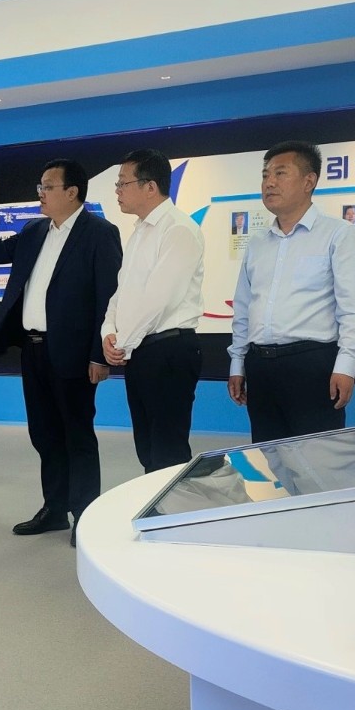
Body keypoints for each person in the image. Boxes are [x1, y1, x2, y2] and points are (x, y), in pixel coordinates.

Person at [0, 159, 123, 547]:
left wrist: (99, 355)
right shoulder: (35, 230)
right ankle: (54, 508)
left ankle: (85, 515)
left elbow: (108, 298)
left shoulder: (100, 233)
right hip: (33, 350)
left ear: (72, 192)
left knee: (77, 435)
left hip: (74, 353)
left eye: (47, 187)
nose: (41, 193)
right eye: (40, 187)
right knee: (45, 434)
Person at [227, 141, 355, 443]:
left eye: (280, 173)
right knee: (270, 457)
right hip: (260, 366)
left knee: (319, 459)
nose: (269, 182)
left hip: (312, 366)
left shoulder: (339, 235)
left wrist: (346, 365)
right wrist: (237, 363)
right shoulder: (258, 243)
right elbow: (244, 308)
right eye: (265, 175)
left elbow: (352, 309)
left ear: (309, 181)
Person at [101, 149, 205, 474]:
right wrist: (108, 331)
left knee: (168, 453)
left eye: (123, 183)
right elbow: (122, 293)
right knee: (147, 450)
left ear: (150, 187)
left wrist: (122, 343)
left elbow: (159, 299)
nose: (117, 191)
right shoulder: (139, 232)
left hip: (169, 350)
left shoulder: (178, 229)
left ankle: (175, 509)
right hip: (141, 352)